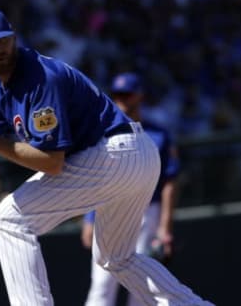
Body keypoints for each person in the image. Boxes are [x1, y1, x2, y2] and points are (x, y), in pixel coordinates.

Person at [0, 8, 213, 305]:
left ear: (13, 37)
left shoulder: (39, 77)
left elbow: (52, 163)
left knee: (9, 219)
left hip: (113, 154)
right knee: (116, 257)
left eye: (1, 40)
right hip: (128, 155)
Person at [81, 72, 181, 306]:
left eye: (128, 94)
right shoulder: (102, 133)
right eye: (118, 94)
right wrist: (89, 217)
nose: (123, 99)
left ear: (140, 96)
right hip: (110, 209)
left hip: (147, 212)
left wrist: (165, 228)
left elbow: (170, 182)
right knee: (102, 282)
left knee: (141, 285)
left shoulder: (159, 134)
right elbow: (97, 179)